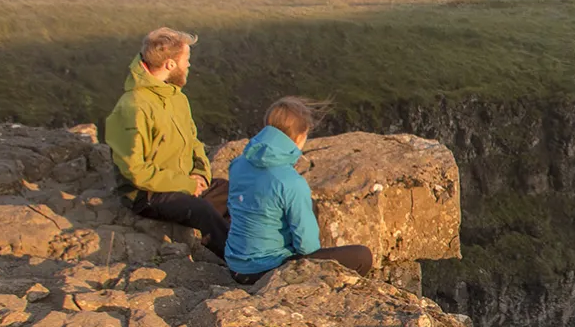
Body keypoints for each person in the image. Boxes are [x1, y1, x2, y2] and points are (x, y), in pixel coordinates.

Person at [105, 27, 229, 258]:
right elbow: (135, 171)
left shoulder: (177, 97)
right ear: (170, 64)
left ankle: (259, 252)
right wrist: (187, 184)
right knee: (202, 210)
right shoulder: (133, 106)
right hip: (148, 194)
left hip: (184, 181)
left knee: (236, 195)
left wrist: (200, 175)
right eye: (186, 60)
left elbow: (194, 142)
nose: (189, 66)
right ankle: (242, 266)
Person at [224, 96, 374, 285]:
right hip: (265, 271)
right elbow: (307, 247)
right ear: (300, 136)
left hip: (236, 266)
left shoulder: (238, 164)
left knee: (307, 207)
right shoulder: (290, 182)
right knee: (362, 256)